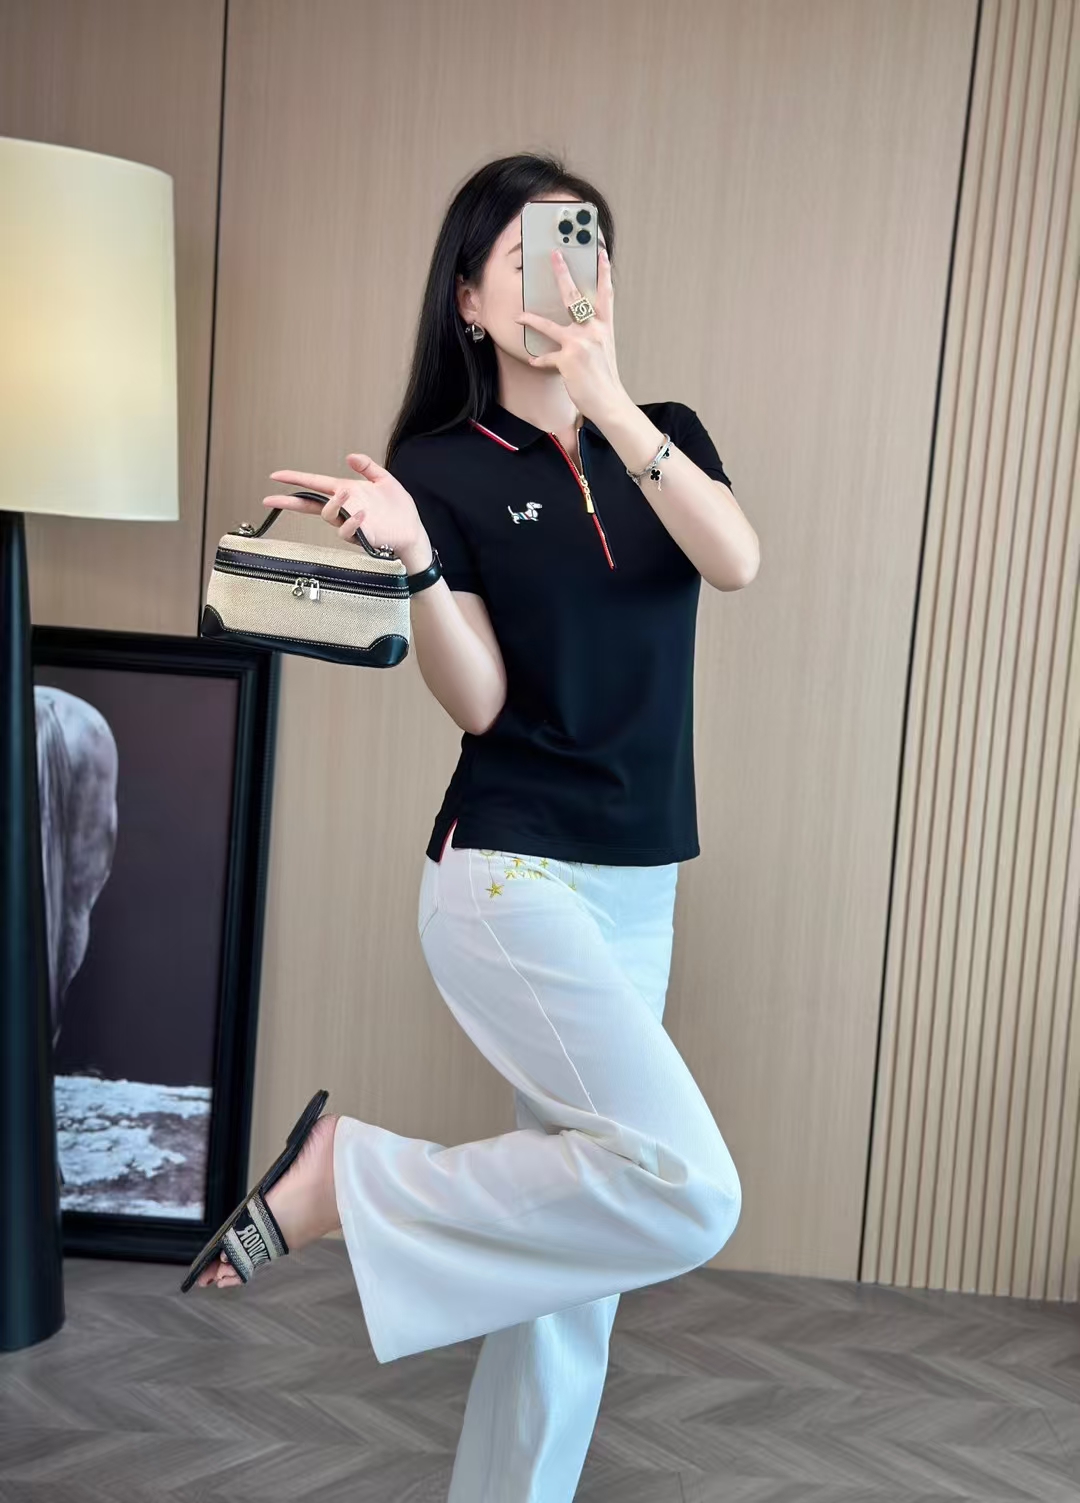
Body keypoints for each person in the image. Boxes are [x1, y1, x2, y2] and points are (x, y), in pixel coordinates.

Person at [195, 151, 759, 1502]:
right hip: (509, 877)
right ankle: (346, 1180)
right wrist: (417, 559)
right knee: (689, 1188)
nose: (566, 273)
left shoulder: (663, 430)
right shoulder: (440, 467)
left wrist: (608, 401)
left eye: (585, 246)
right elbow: (483, 699)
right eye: (528, 254)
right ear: (467, 297)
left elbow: (735, 558)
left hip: (640, 887)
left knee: (572, 1276)